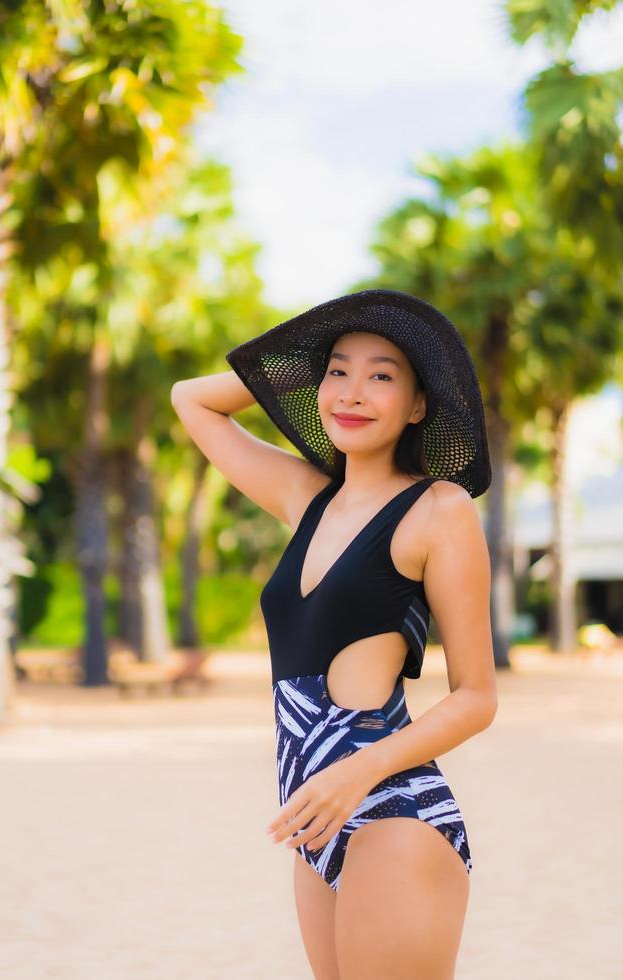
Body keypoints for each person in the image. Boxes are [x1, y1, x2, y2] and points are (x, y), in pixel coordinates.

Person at [171, 289, 497, 980]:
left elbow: (476, 698)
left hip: (391, 809)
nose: (351, 392)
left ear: (418, 404)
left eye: (381, 375)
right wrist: (306, 359)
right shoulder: (305, 499)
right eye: (338, 372)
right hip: (317, 818)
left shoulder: (439, 509)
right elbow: (191, 399)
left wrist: (357, 772)